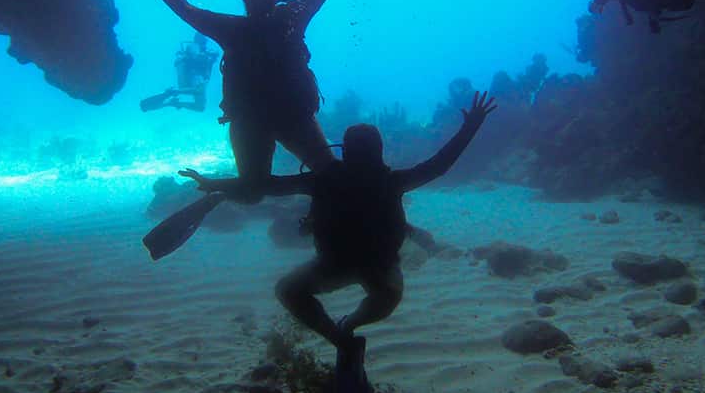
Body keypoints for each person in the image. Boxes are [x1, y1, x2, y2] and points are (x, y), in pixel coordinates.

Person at [179, 91, 497, 350]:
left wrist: (217, 183)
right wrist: (470, 128)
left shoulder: (325, 180)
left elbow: (268, 184)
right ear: (379, 151)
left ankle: (341, 331)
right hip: (370, 265)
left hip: (350, 264)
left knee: (290, 291)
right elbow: (438, 166)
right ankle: (344, 330)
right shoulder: (387, 181)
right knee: (385, 296)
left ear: (344, 151)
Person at [130, 0, 364, 204]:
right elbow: (184, 7)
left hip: (285, 116)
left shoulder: (285, 17)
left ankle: (321, 200)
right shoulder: (254, 24)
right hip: (259, 119)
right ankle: (299, 188)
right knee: (255, 193)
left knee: (323, 175)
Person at [140, 32, 218, 112]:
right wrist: (208, 55)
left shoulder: (203, 48)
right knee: (199, 91)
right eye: (204, 38)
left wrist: (210, 55)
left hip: (198, 78)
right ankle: (172, 92)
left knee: (200, 107)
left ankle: (172, 102)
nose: (206, 40)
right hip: (194, 75)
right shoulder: (193, 46)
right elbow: (196, 55)